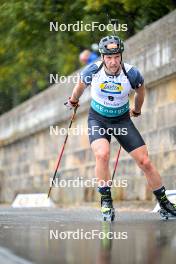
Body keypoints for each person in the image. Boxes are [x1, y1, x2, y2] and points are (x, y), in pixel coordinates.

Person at [65, 35, 176, 221]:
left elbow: (141, 91)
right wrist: (73, 101)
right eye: (109, 57)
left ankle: (165, 203)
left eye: (117, 56)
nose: (113, 61)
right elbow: (79, 87)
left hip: (122, 120)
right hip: (98, 119)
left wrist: (137, 110)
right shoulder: (92, 70)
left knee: (145, 162)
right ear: (102, 57)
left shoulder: (131, 73)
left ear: (121, 55)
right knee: (102, 154)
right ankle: (106, 201)